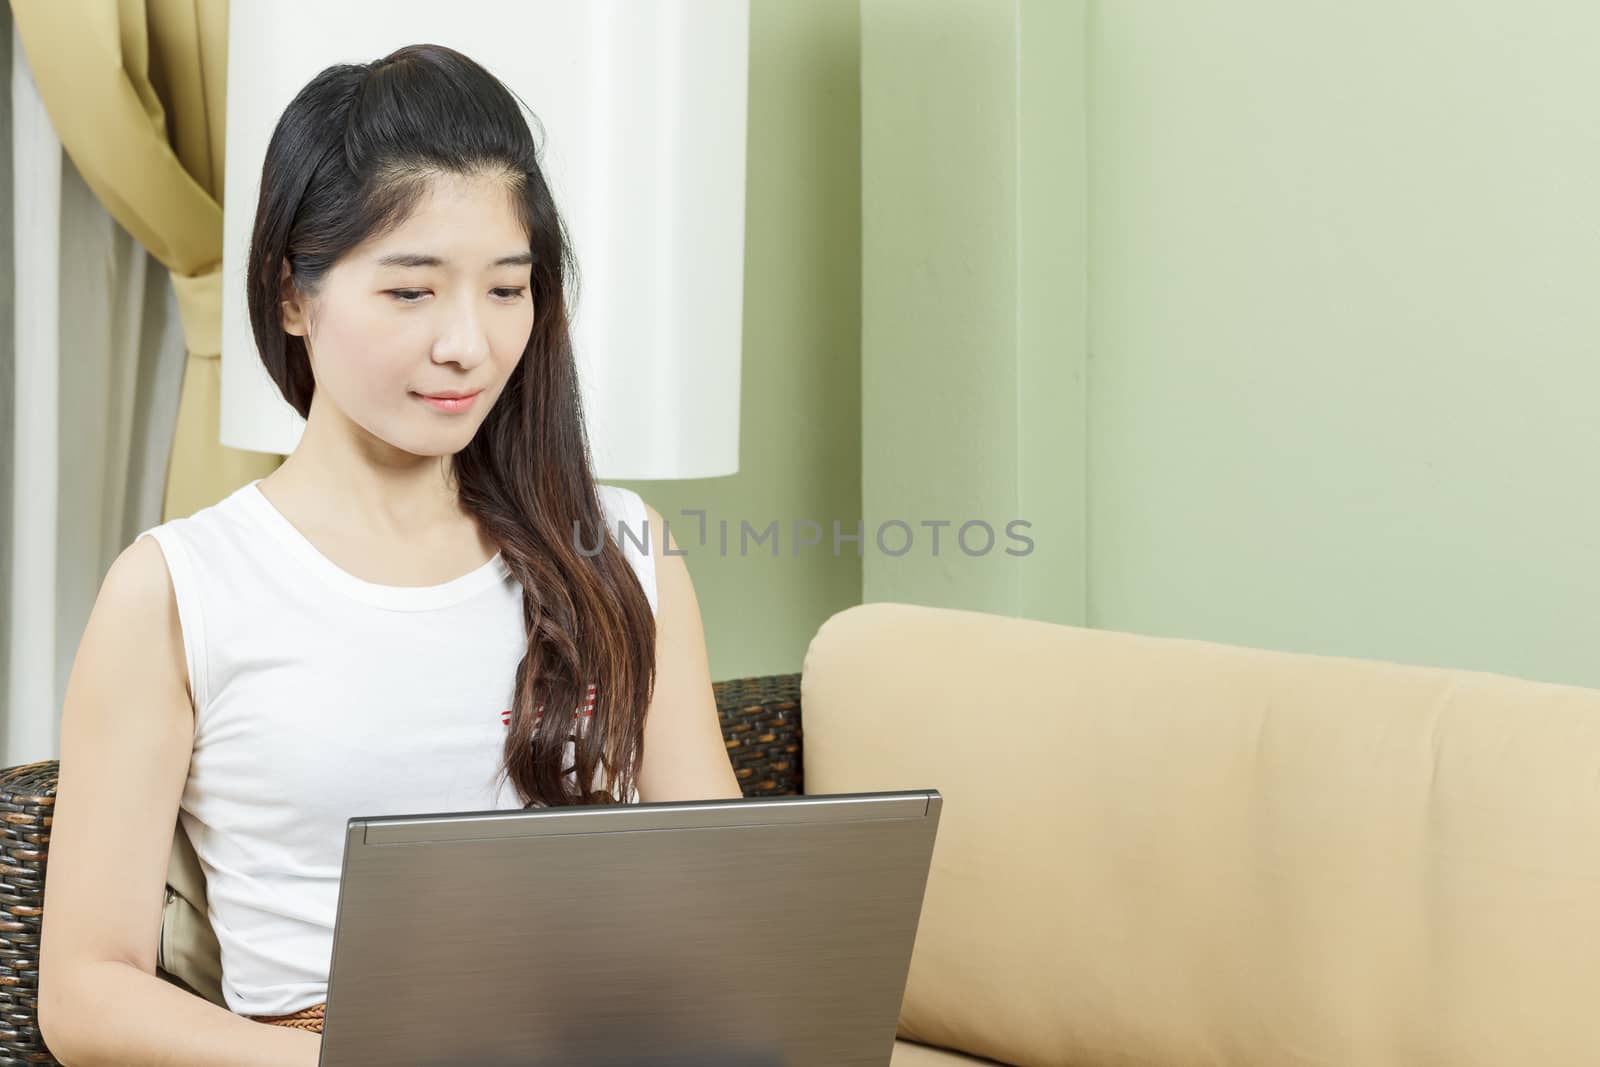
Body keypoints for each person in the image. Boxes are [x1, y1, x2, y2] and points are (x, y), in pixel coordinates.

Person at [38, 43, 742, 1066]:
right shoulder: (181, 587)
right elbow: (86, 995)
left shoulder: (621, 546)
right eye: (412, 292)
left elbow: (726, 887)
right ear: (291, 294)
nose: (469, 342)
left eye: (507, 290)